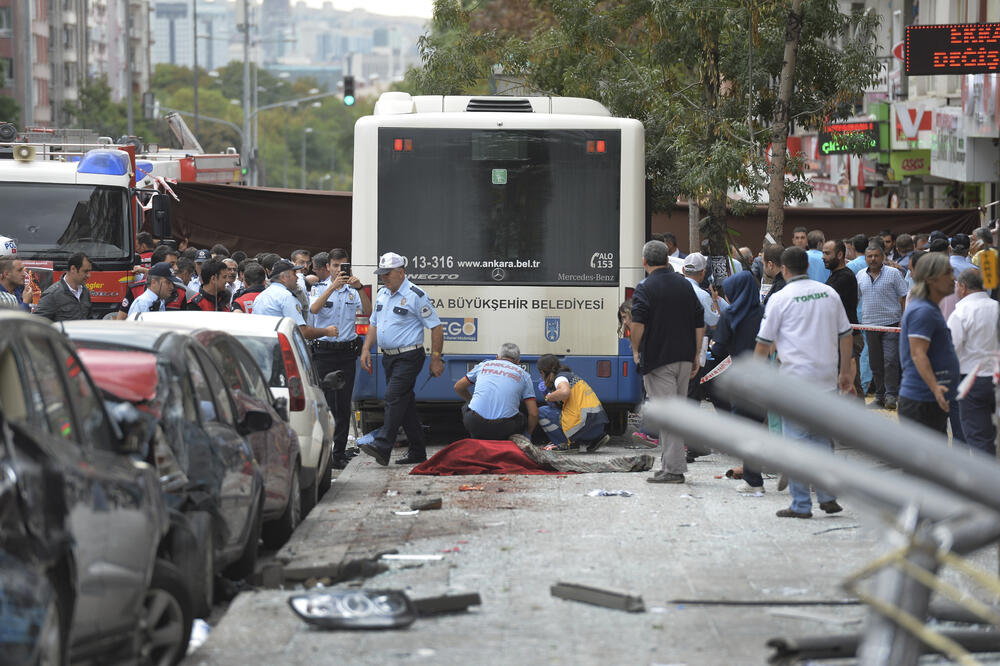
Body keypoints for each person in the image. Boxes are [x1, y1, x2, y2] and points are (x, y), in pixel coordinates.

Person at [755, 247, 853, 519]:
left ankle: (800, 504)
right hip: (825, 380)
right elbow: (846, 335)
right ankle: (827, 495)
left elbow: (763, 343)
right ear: (807, 268)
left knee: (796, 444)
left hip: (794, 382)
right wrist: (845, 372)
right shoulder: (828, 293)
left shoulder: (780, 298)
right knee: (821, 440)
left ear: (784, 269)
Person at [358, 252, 444, 466]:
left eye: (388, 274)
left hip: (409, 356)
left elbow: (436, 327)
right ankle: (417, 451)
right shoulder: (382, 294)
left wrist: (436, 358)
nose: (384, 278)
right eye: (382, 274)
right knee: (404, 405)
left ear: (401, 272)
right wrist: (366, 348)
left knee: (392, 396)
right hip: (388, 358)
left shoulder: (416, 294)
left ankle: (383, 444)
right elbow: (374, 324)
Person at [630, 240, 704, 484]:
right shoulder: (685, 285)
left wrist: (636, 350)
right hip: (684, 357)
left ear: (644, 262)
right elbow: (698, 321)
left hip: (659, 360)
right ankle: (669, 465)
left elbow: (637, 323)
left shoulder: (645, 287)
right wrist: (695, 354)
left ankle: (673, 469)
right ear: (667, 259)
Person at [309, 249, 372, 469]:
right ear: (328, 267)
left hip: (346, 352)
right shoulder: (318, 289)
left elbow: (368, 310)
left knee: (344, 405)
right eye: (335, 266)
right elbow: (314, 308)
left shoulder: (353, 292)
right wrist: (332, 287)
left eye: (343, 266)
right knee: (325, 403)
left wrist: (360, 288)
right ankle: (324, 453)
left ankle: (338, 453)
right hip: (324, 352)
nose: (339, 270)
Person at [711, 270, 765, 493]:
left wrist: (714, 347)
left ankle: (754, 481)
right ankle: (755, 476)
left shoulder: (731, 316)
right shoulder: (763, 313)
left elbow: (719, 349)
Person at [898, 252, 961, 434]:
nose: (953, 278)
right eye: (947, 273)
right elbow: (918, 353)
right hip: (922, 402)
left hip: (928, 400)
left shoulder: (928, 308)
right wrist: (935, 388)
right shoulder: (923, 311)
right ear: (930, 279)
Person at [947, 269, 998, 455]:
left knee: (978, 437)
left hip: (971, 380)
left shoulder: (961, 313)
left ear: (963, 287)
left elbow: (952, 349)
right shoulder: (996, 307)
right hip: (995, 377)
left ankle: (983, 481)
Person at [857, 242, 907, 410]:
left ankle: (891, 395)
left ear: (883, 257)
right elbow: (857, 298)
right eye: (869, 256)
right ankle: (879, 396)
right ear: (865, 258)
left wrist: (903, 318)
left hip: (891, 325)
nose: (873, 259)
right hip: (870, 326)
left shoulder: (893, 274)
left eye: (876, 256)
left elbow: (903, 297)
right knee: (875, 363)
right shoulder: (860, 276)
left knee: (891, 360)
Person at [454, 343, 538, 441]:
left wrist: (470, 400)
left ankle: (476, 439)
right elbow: (534, 413)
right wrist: (528, 434)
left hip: (475, 423)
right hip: (505, 428)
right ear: (518, 361)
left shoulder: (483, 366)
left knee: (466, 406)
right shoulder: (524, 375)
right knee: (522, 416)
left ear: (497, 357)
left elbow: (458, 387)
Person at [535, 354, 608, 451]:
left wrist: (549, 397)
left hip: (583, 426)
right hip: (597, 426)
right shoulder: (571, 376)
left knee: (542, 412)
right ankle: (593, 439)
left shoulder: (559, 379)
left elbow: (564, 392)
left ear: (543, 372)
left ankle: (564, 444)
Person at [252, 260, 339, 339]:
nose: (297, 278)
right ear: (284, 277)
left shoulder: (261, 296)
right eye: (294, 274)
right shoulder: (286, 297)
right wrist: (327, 331)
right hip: (280, 349)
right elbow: (302, 331)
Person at [823, 240, 862, 397]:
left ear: (840, 255)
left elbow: (825, 300)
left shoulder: (845, 277)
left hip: (849, 338)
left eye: (827, 253)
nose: (823, 257)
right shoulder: (835, 276)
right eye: (823, 253)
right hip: (839, 336)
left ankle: (859, 420)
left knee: (851, 383)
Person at [116, 245, 180, 319]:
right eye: (171, 264)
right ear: (154, 282)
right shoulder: (142, 303)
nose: (176, 268)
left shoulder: (160, 300)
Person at [34, 252, 93, 321]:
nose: (89, 275)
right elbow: (38, 324)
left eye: (89, 271)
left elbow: (89, 320)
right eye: (85, 271)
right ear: (73, 269)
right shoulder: (52, 295)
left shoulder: (85, 292)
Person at [682, 252, 720, 328]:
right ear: (703, 272)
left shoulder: (673, 289)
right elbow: (715, 324)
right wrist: (715, 300)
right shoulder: (703, 295)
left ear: (683, 270)